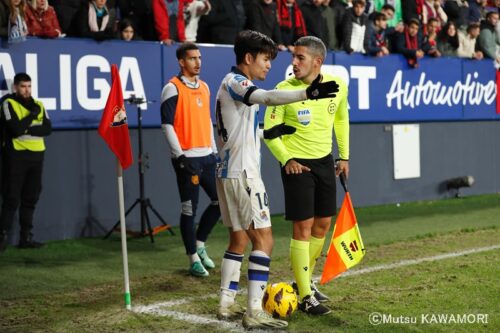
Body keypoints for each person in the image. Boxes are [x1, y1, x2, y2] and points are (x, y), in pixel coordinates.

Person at [215, 30, 338, 328]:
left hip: (227, 171)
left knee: (239, 238)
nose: (269, 65)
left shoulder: (230, 86)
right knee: (265, 240)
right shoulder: (237, 82)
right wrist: (307, 93)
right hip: (244, 174)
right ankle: (255, 309)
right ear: (248, 58)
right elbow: (268, 97)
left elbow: (237, 130)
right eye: (265, 59)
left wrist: (267, 134)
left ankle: (225, 302)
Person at [263, 35, 349, 316]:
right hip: (296, 164)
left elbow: (340, 119)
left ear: (317, 61)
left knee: (323, 224)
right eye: (294, 57)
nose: (294, 63)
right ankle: (304, 296)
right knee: (303, 227)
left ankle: (304, 284)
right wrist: (287, 159)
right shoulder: (282, 90)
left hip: (324, 162)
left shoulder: (337, 87)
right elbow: (269, 133)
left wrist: (343, 155)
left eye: (300, 58)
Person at [160, 42, 220, 278]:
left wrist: (214, 150)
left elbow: (206, 120)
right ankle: (192, 258)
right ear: (181, 62)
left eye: (199, 58)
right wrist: (180, 155)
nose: (198, 62)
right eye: (192, 58)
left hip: (207, 156)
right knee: (189, 210)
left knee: (219, 203)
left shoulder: (204, 87)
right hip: (187, 159)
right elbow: (167, 125)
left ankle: (200, 244)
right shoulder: (172, 88)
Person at [0, 73, 52, 252]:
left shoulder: (39, 104)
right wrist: (31, 118)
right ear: (15, 87)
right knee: (11, 198)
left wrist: (27, 127)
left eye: (29, 86)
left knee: (31, 198)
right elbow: (15, 129)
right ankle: (3, 238)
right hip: (16, 156)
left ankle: (26, 238)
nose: (27, 90)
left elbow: (47, 128)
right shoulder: (8, 104)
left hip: (37, 157)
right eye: (23, 86)